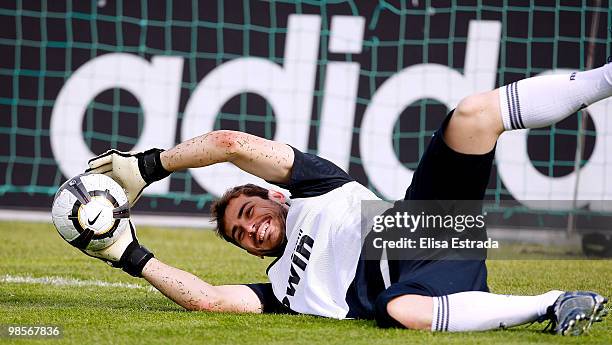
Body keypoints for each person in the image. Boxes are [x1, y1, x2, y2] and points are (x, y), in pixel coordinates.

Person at [83, 63, 612, 336]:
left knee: (472, 114)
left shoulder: (315, 187)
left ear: (273, 196)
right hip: (425, 283)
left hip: (427, 219)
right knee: (399, 310)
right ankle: (556, 302)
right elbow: (209, 300)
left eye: (248, 214)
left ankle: (606, 76)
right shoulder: (280, 292)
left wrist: (147, 166)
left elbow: (230, 146)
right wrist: (127, 254)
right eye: (241, 236)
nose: (250, 230)